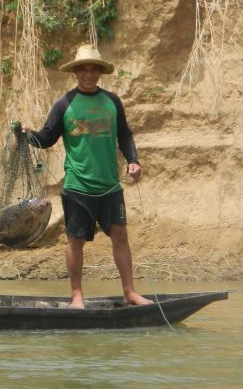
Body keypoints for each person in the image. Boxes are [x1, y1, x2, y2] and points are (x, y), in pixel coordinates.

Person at [25, 44, 152, 308]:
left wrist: (133, 161)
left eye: (94, 69)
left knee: (120, 235)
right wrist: (28, 134)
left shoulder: (112, 101)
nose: (89, 74)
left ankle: (130, 292)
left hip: (109, 186)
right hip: (77, 186)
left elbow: (125, 135)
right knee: (76, 239)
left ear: (100, 73)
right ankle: (77, 296)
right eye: (83, 69)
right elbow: (47, 138)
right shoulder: (64, 104)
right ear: (76, 73)